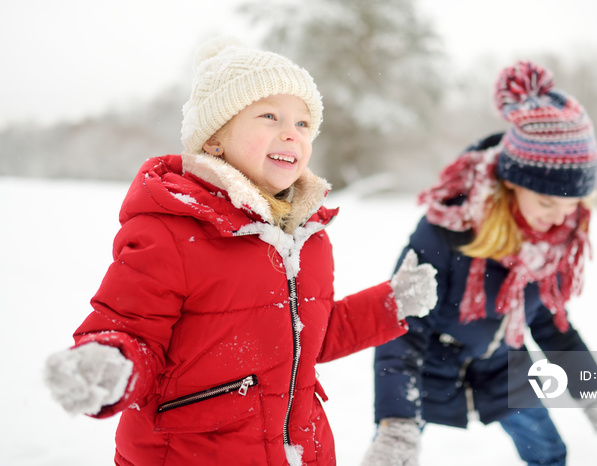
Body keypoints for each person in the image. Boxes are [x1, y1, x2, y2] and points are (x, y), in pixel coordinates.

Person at [43, 37, 438, 466]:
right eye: (269, 116)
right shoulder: (172, 232)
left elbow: (308, 336)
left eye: (303, 124)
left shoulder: (308, 237)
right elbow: (132, 329)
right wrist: (110, 363)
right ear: (214, 140)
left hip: (298, 450)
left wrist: (390, 304)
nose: (291, 132)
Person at [361, 61, 597, 466]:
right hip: (427, 362)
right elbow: (402, 327)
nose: (560, 218)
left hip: (502, 362)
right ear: (512, 180)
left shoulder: (553, 242)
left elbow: (552, 325)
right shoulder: (448, 227)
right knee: (394, 456)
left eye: (572, 205)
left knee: (549, 453)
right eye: (547, 201)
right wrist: (395, 423)